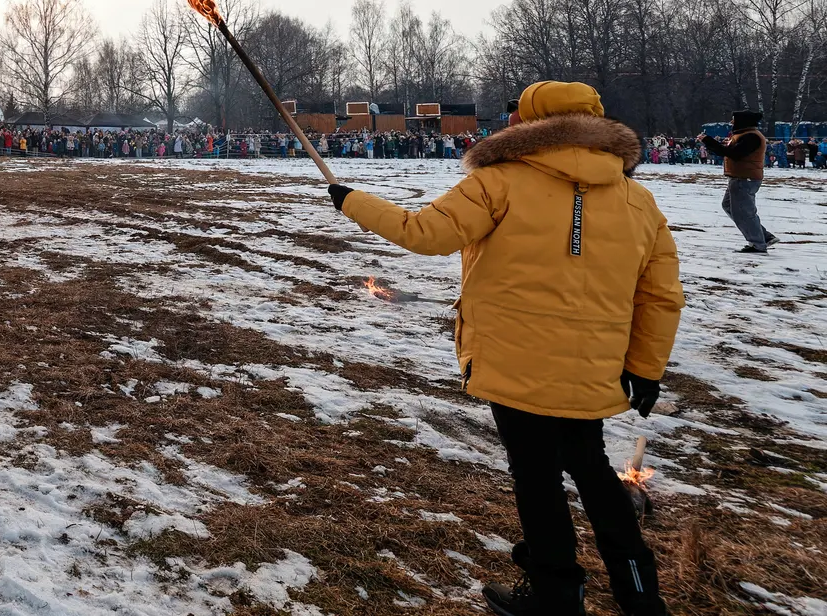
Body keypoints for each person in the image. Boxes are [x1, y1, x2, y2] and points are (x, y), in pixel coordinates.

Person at [326, 81, 682, 616]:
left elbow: (423, 234)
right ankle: (639, 593)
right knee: (591, 467)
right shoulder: (637, 199)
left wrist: (351, 200)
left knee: (536, 476)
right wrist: (646, 369)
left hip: (515, 359)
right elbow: (661, 295)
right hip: (593, 366)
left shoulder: (498, 181)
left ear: (527, 124)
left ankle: (556, 594)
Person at [702, 110, 774, 252]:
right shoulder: (744, 135)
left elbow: (733, 154)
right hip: (740, 177)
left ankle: (757, 243)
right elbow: (728, 151)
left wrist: (708, 141)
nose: (731, 122)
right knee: (729, 206)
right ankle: (763, 236)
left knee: (744, 212)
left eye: (733, 119)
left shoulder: (751, 137)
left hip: (745, 178)